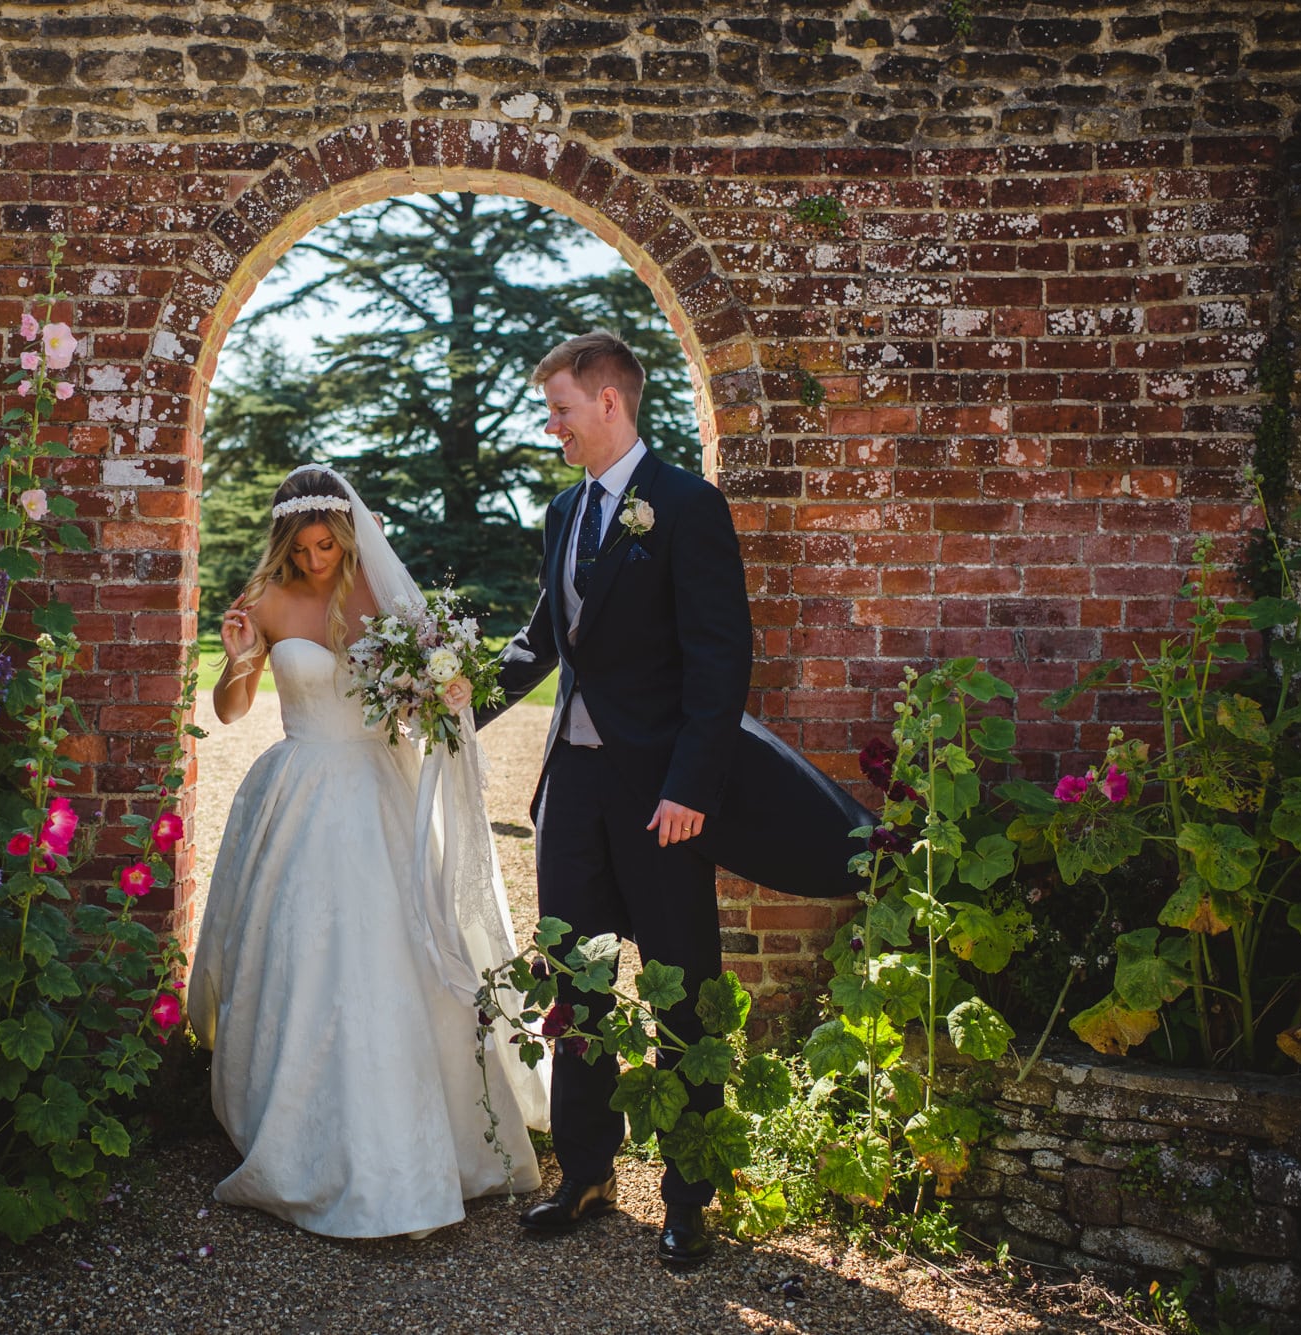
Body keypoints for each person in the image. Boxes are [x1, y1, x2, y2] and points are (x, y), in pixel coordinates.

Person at [475, 330, 871, 1271]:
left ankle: (693, 1190)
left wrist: (692, 785)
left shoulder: (688, 507)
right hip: (570, 787)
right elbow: (542, 642)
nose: (552, 426)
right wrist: (456, 702)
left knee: (684, 990)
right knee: (575, 984)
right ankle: (586, 1174)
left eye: (561, 409)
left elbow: (719, 657)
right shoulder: (563, 512)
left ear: (609, 402)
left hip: (663, 797)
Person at [186, 465, 549, 1239]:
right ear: (284, 540)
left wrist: (441, 686)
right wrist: (240, 654)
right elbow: (230, 709)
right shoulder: (264, 602)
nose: (318, 559)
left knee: (390, 951)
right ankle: (294, 1133)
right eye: (305, 546)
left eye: (330, 543)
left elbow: (422, 697)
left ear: (348, 533)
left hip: (377, 786)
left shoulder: (380, 599)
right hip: (298, 789)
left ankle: (414, 1145)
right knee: (300, 953)